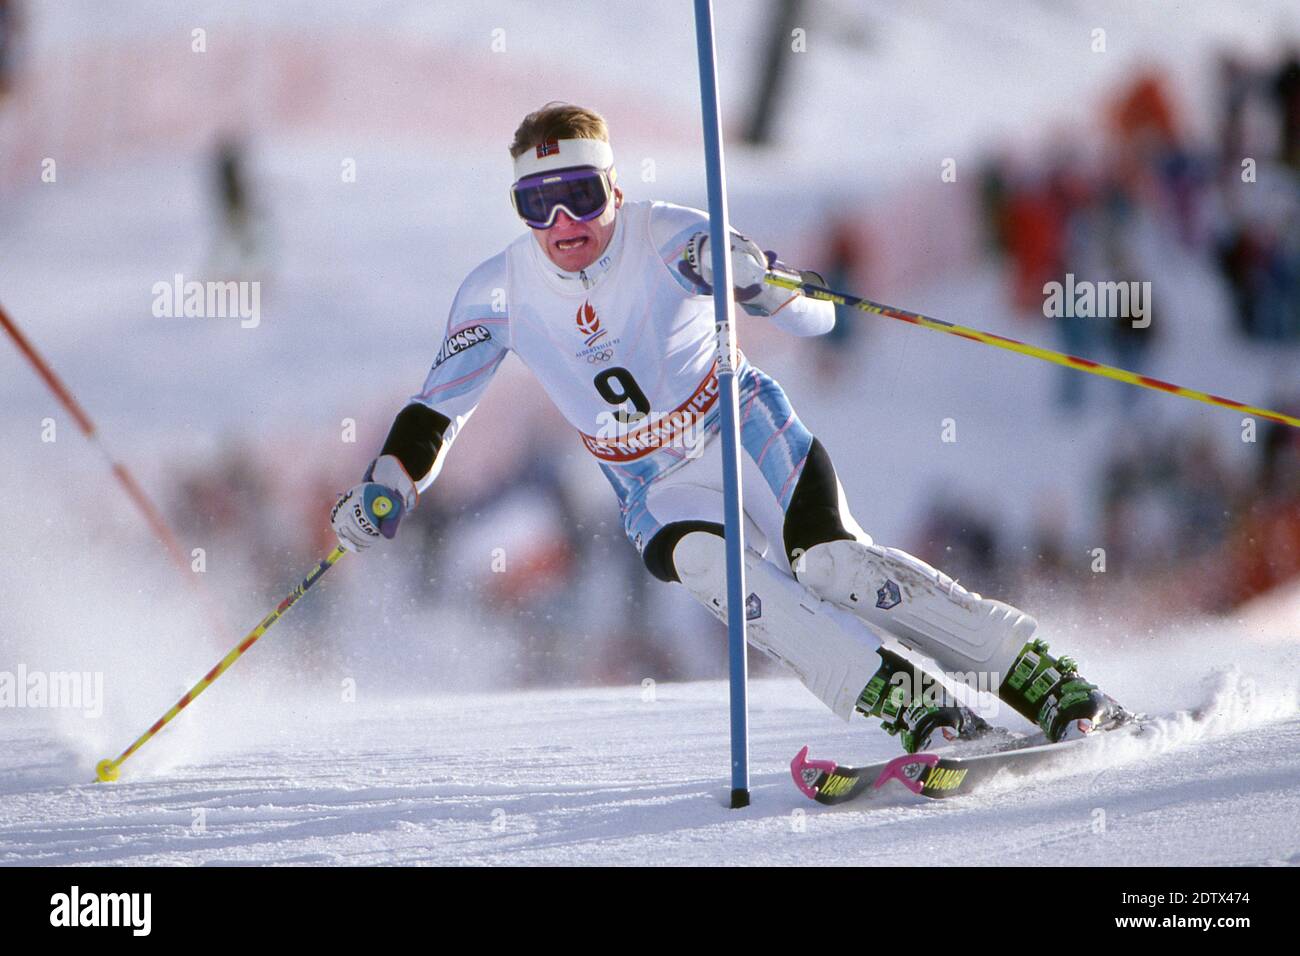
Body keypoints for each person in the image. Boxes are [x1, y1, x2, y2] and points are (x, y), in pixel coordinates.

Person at [331, 103, 1126, 752]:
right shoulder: (497, 290)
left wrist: (760, 284)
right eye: (539, 202)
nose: (564, 219)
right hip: (653, 483)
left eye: (580, 191)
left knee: (834, 569)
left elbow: (814, 318)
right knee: (731, 583)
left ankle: (1039, 679)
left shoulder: (670, 234)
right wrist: (387, 486)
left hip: (743, 431)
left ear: (613, 186)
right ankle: (918, 709)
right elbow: (437, 410)